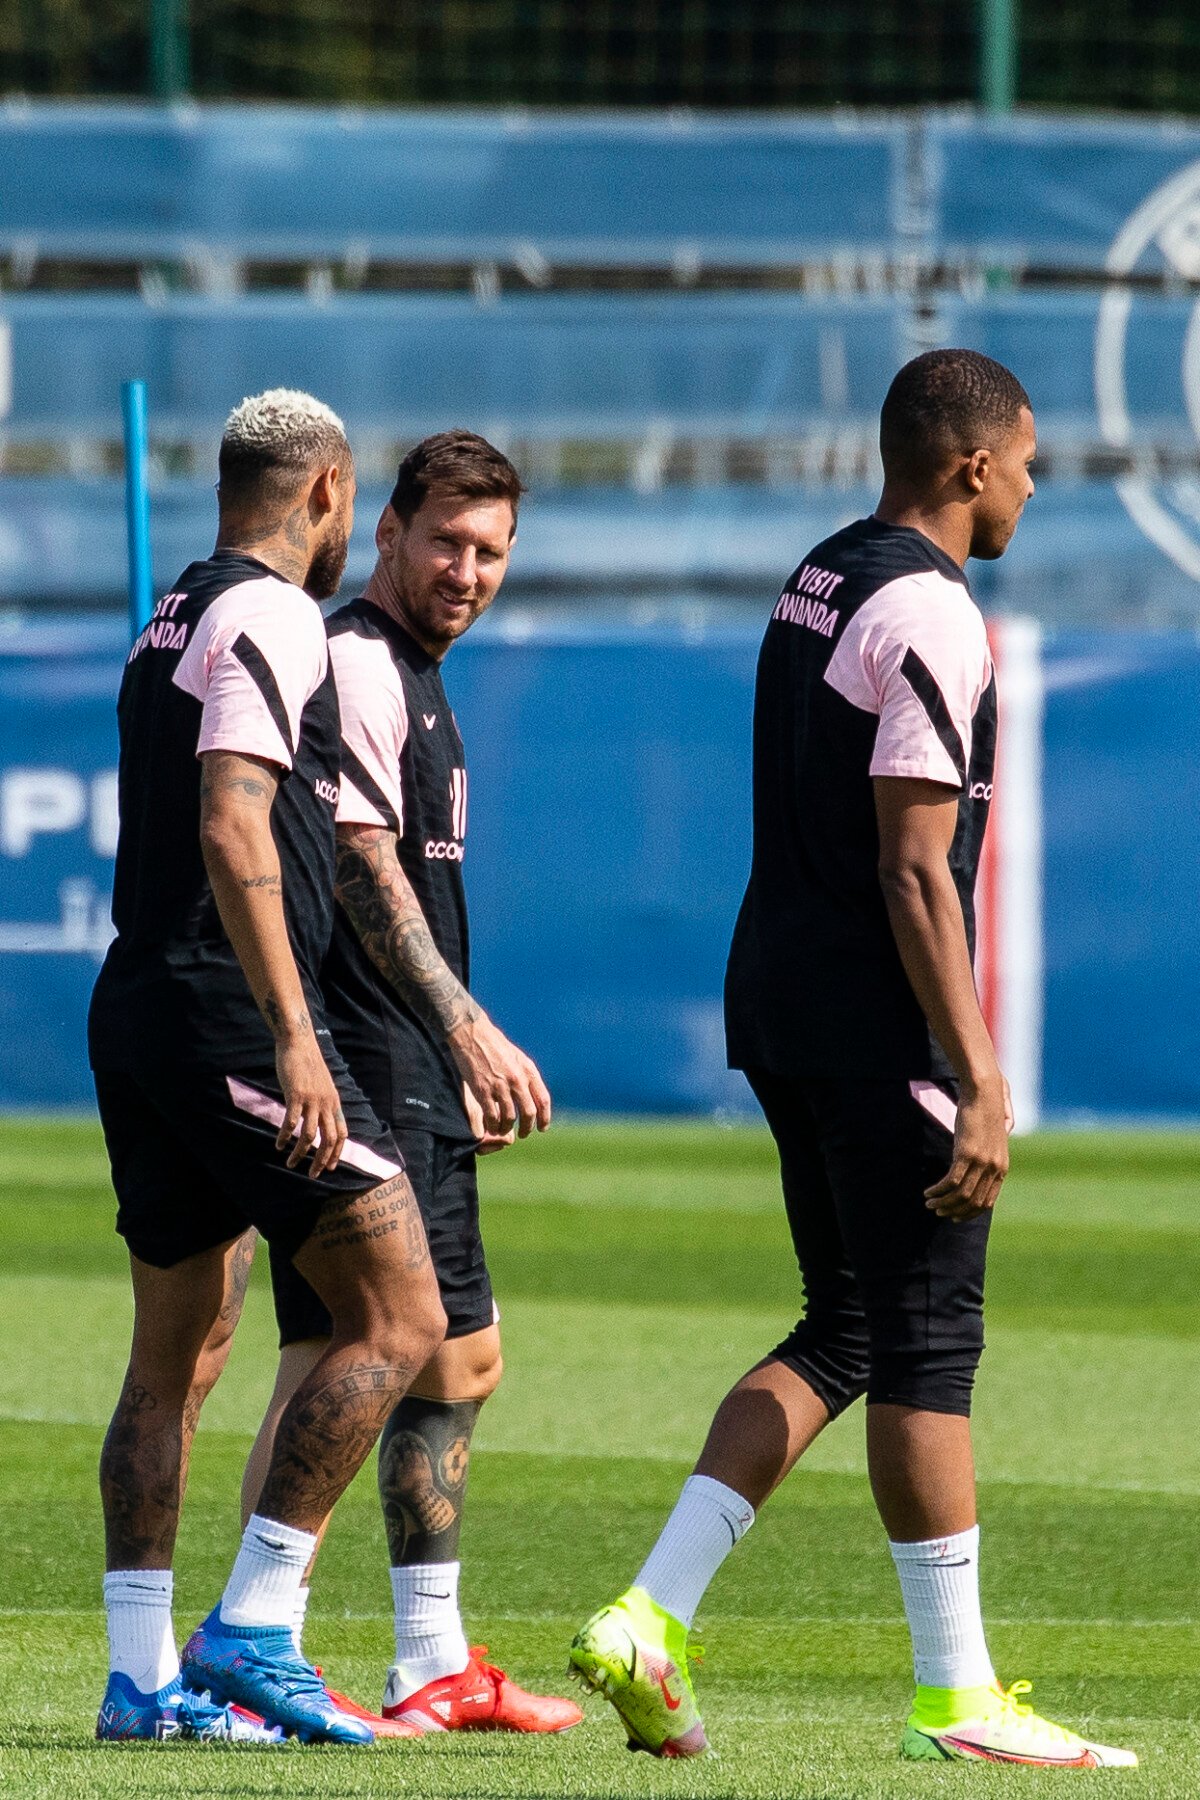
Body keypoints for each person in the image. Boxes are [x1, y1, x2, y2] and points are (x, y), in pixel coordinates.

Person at [568, 350, 1136, 1770]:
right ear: (969, 466)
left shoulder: (818, 572)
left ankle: (653, 1615)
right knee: (931, 1349)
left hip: (779, 996)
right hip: (880, 1022)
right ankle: (960, 1694)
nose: (1030, 484)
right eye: (1024, 459)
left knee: (848, 1329)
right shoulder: (934, 613)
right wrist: (978, 1068)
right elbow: (914, 868)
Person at [88, 390, 446, 1746]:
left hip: (139, 1002)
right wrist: (297, 1033)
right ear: (330, 494)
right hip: (228, 1009)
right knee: (401, 1316)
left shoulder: (174, 610)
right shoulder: (274, 614)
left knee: (175, 1357)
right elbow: (235, 809)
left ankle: (141, 1679)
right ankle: (253, 1623)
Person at [240, 431, 582, 1737]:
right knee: (361, 1352)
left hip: (392, 1062)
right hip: (366, 1059)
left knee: (451, 1357)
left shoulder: (422, 679)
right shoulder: (363, 661)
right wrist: (467, 1033)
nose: (469, 569)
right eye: (447, 540)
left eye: (493, 551)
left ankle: (424, 1658)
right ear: (384, 529)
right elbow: (367, 868)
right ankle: (256, 1631)